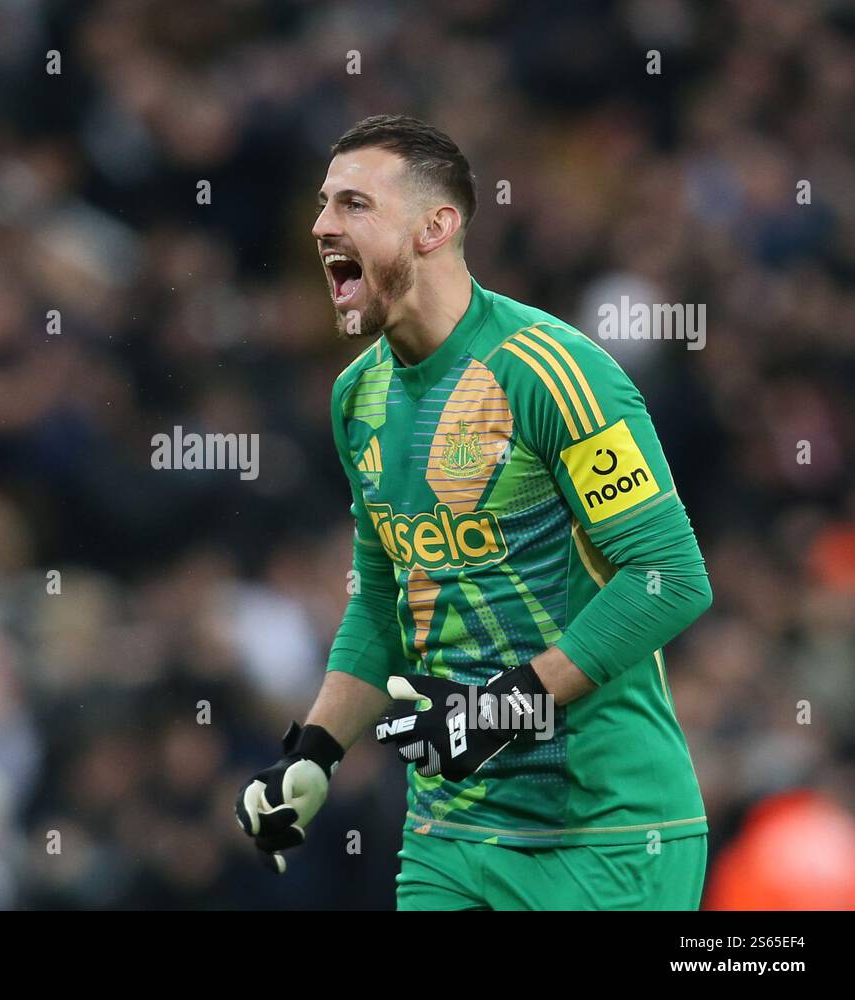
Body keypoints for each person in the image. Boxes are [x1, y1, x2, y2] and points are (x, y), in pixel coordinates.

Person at [236, 115, 713, 910]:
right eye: (322, 204)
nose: (320, 225)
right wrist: (314, 752)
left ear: (436, 226)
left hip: (607, 838)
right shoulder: (357, 396)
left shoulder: (554, 371)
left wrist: (503, 708)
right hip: (449, 838)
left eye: (352, 204)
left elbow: (669, 576)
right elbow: (383, 599)